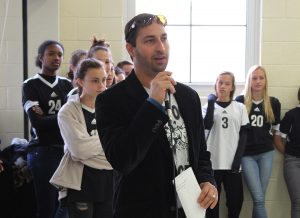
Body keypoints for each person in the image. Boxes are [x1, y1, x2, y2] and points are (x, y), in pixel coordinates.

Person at [95, 13, 217, 218]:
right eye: (150, 40)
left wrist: (207, 180)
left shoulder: (188, 97)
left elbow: (201, 155)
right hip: (141, 210)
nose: (161, 47)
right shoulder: (111, 100)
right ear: (130, 49)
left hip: (189, 210)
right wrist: (152, 104)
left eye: (164, 38)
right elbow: (122, 160)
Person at [50, 58, 113, 218]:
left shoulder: (112, 108)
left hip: (108, 180)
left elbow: (121, 146)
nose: (102, 86)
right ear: (80, 81)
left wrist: (95, 146)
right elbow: (79, 150)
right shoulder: (68, 111)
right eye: (95, 81)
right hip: (81, 182)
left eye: (104, 80)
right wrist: (108, 140)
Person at [22, 40, 73, 218]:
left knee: (66, 206)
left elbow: (74, 119)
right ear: (41, 57)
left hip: (67, 150)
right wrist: (64, 116)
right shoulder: (30, 85)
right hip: (43, 151)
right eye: (51, 53)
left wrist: (50, 118)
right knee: (47, 207)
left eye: (59, 54)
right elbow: (38, 123)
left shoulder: (67, 85)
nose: (56, 58)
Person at [235, 65, 281, 218]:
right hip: (247, 154)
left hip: (266, 154)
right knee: (260, 199)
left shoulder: (273, 103)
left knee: (259, 199)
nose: (258, 81)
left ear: (266, 80)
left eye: (261, 78)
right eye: (254, 78)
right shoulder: (240, 101)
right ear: (249, 80)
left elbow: (275, 130)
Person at [203, 72, 249, 218]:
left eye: (227, 83)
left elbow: (244, 135)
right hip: (212, 164)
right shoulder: (206, 107)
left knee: (236, 202)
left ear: (232, 87)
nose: (222, 86)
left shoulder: (240, 107)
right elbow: (206, 125)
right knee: (211, 205)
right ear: (215, 85)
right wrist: (211, 103)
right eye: (220, 82)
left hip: (233, 164)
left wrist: (238, 160)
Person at [274, 87, 300, 218]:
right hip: (293, 162)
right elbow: (278, 140)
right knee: (298, 202)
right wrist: (289, 155)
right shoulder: (291, 115)